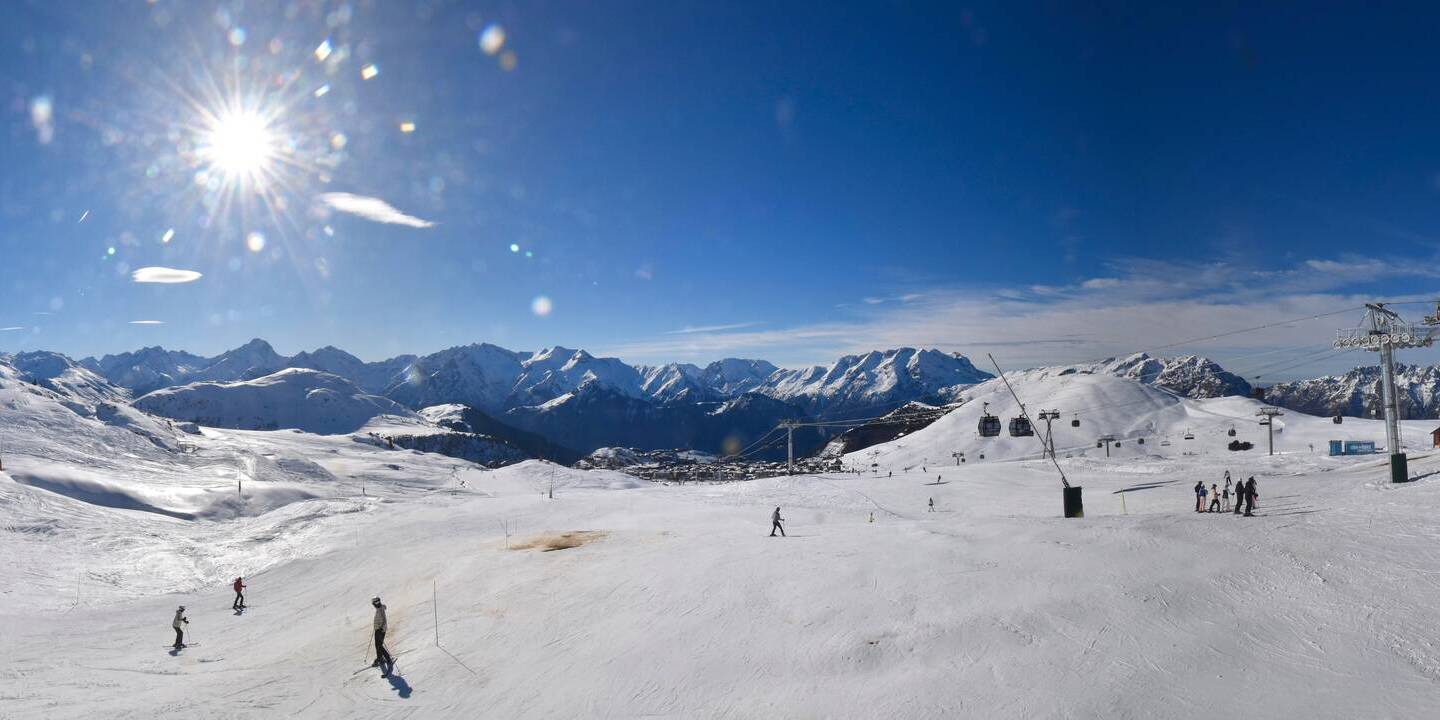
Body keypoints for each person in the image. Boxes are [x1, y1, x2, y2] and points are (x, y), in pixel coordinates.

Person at [372, 597, 395, 674]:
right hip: (379, 629)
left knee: (379, 645)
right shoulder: (380, 608)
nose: (377, 603)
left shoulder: (380, 610)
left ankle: (385, 658)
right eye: (376, 602)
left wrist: (380, 628)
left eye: (378, 602)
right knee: (378, 645)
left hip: (380, 630)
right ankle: (380, 658)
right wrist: (376, 626)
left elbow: (384, 620)